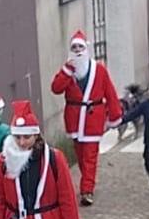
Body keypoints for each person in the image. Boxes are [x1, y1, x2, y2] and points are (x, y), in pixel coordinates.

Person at [50, 30, 123, 206]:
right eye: (74, 47)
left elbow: (110, 93)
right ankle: (87, 180)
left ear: (86, 48)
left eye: (80, 47)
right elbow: (56, 88)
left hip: (92, 117)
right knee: (81, 155)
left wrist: (115, 115)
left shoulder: (99, 69)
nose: (77, 50)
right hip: (74, 118)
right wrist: (66, 72)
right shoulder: (67, 71)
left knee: (90, 155)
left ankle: (86, 190)